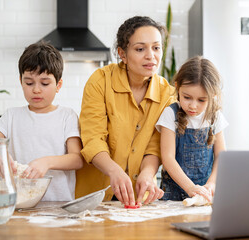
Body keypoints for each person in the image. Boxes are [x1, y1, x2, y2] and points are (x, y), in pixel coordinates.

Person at [75, 16, 175, 207]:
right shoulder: (100, 81)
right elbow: (93, 138)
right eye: (140, 49)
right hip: (96, 197)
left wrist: (147, 174)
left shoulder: (167, 94)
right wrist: (114, 171)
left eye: (156, 47)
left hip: (139, 197)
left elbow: (155, 146)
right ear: (122, 53)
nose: (150, 55)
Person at [0, 41, 84, 201]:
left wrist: (47, 162)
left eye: (45, 83)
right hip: (19, 205)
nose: (36, 89)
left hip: (58, 206)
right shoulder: (12, 116)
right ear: (20, 81)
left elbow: (78, 159)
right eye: (29, 83)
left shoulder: (67, 116)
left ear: (58, 85)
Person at [155, 56, 228, 202]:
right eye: (187, 97)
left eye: (201, 100)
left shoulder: (214, 116)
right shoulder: (170, 114)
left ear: (212, 96)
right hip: (173, 196)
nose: (193, 106)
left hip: (205, 195)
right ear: (177, 87)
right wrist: (190, 188)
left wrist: (212, 183)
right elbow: (168, 158)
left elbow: (221, 156)